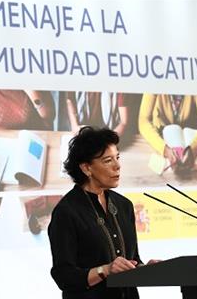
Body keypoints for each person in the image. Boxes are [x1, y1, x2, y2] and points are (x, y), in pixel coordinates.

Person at [48, 126, 158, 299]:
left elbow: (132, 259)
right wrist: (105, 270)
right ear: (86, 168)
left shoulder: (124, 206)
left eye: (117, 158)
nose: (117, 166)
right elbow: (64, 276)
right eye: (108, 161)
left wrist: (146, 269)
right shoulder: (66, 212)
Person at [138, 94, 197, 173]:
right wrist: (164, 149)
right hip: (159, 137)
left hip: (184, 138)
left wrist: (193, 149)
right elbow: (143, 121)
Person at [65, 92, 130, 137]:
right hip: (83, 132)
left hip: (110, 132)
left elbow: (123, 122)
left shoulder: (119, 84)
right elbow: (69, 100)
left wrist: (110, 139)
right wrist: (75, 126)